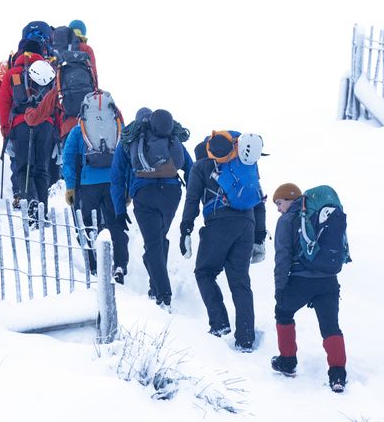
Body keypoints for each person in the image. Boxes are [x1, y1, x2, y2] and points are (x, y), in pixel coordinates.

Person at [179, 131, 266, 351]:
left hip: (218, 223)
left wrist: (185, 228)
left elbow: (191, 200)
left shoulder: (200, 168)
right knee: (240, 282)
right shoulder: (245, 167)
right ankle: (246, 339)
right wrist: (259, 238)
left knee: (204, 272)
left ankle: (219, 324)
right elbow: (258, 201)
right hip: (247, 225)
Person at [110, 108, 193, 310]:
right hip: (172, 194)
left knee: (153, 244)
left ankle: (163, 295)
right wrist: (193, 199)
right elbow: (190, 167)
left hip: (144, 193)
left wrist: (120, 210)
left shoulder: (130, 138)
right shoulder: (171, 137)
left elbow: (117, 177)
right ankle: (154, 287)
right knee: (159, 239)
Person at [270, 183, 349, 393]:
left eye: (279, 203)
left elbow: (283, 256)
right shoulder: (318, 217)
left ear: (290, 199)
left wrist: (280, 288)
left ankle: (287, 361)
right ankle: (338, 375)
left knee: (283, 312)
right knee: (331, 326)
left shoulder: (287, 220)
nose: (278, 208)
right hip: (329, 280)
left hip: (301, 280)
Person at [62, 101, 128, 283]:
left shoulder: (79, 130)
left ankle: (93, 266)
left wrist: (70, 186)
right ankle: (120, 265)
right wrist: (126, 188)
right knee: (116, 224)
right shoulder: (117, 128)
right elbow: (127, 158)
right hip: (113, 183)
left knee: (88, 226)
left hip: (88, 183)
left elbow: (67, 158)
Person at [0, 40, 60, 221]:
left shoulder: (13, 73)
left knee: (24, 167)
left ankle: (31, 205)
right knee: (42, 169)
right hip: (46, 124)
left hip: (21, 124)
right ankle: (43, 210)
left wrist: (5, 129)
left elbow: (3, 103)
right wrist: (56, 132)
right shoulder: (49, 73)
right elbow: (56, 104)